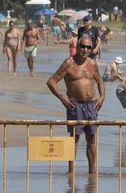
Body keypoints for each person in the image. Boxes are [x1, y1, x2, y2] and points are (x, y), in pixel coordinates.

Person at [45, 33, 105, 176]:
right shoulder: (69, 63)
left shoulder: (92, 63)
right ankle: (71, 171)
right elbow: (51, 81)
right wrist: (63, 98)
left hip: (91, 105)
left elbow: (100, 81)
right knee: (74, 139)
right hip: (75, 105)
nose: (85, 49)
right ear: (77, 46)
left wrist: (102, 97)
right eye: (82, 46)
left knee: (91, 139)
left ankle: (92, 171)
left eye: (88, 47)